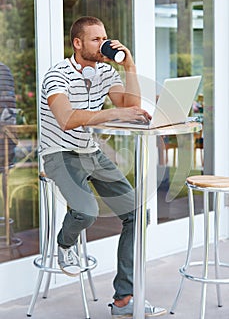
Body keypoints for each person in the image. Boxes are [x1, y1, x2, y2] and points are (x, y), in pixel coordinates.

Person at [39, 16, 166, 317]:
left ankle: (124, 299)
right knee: (86, 212)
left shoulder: (106, 72)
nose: (103, 44)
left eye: (104, 37)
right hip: (60, 152)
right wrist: (112, 114)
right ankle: (63, 242)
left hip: (91, 152)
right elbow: (66, 118)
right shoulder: (57, 75)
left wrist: (130, 67)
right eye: (96, 39)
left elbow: (130, 105)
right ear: (78, 43)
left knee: (137, 213)